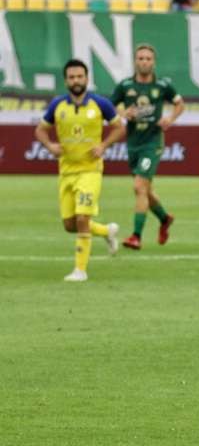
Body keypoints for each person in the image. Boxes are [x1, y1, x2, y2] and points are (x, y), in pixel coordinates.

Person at [34, 59, 124, 282]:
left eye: (80, 76)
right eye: (72, 77)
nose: (76, 81)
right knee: (70, 225)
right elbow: (40, 130)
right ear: (66, 81)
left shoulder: (100, 104)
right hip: (66, 172)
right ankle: (106, 231)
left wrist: (103, 145)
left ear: (86, 78)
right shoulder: (58, 105)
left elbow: (119, 128)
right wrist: (50, 146)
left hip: (90, 171)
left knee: (83, 217)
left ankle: (80, 270)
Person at [110, 44, 184, 250]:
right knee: (146, 191)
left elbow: (180, 103)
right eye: (140, 58)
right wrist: (123, 114)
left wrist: (170, 118)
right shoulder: (125, 86)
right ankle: (164, 218)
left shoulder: (162, 85)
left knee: (139, 187)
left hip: (152, 143)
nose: (144, 62)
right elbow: (110, 107)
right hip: (133, 143)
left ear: (154, 62)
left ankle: (136, 236)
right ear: (135, 61)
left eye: (148, 58)